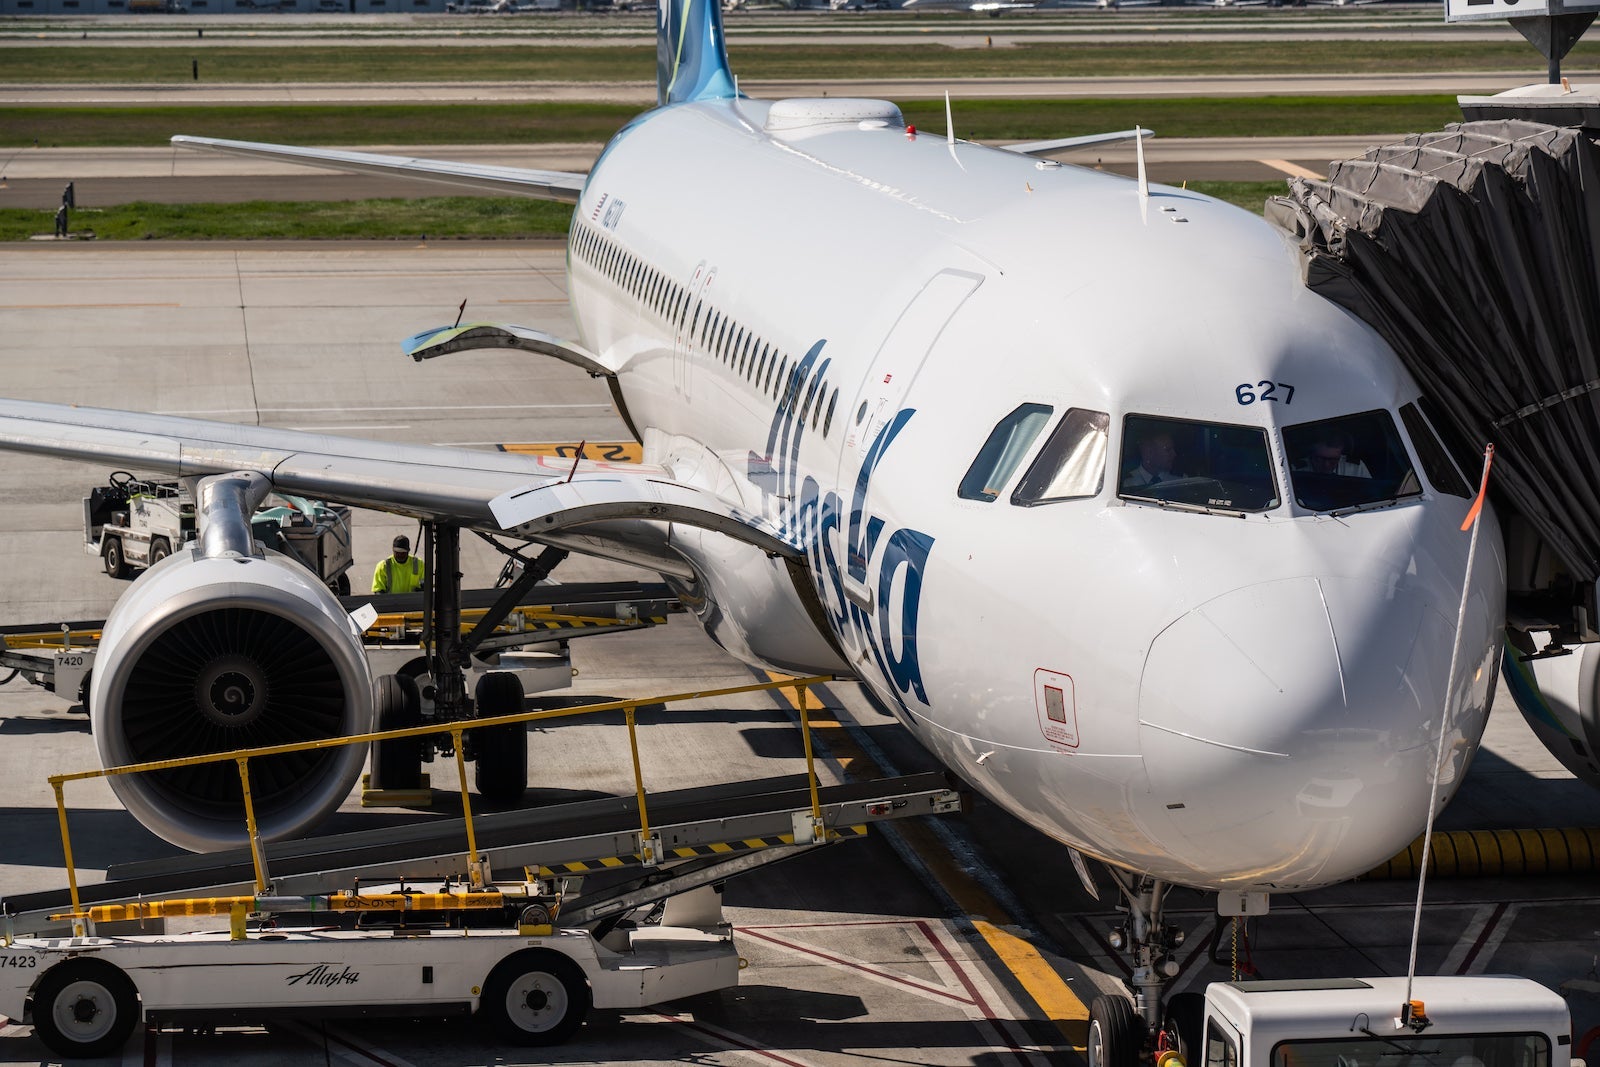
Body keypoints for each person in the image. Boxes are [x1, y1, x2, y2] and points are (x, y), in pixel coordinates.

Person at [1294, 432, 1371, 478]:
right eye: (1320, 459)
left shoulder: (1355, 468)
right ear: (1311, 454)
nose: (1326, 465)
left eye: (1333, 460)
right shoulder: (1296, 470)